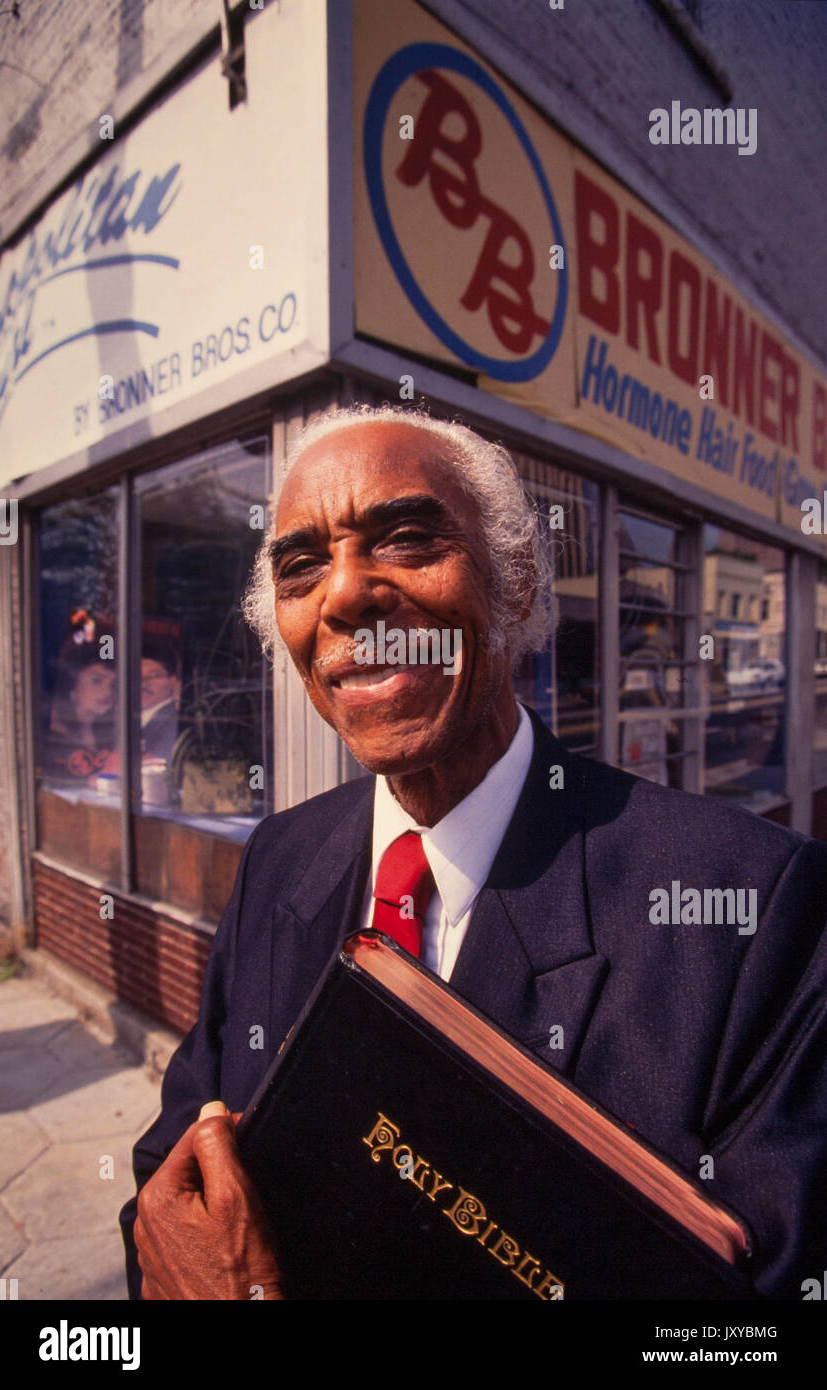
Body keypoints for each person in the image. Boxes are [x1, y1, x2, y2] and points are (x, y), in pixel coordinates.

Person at [120, 405, 827, 1301]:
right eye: (301, 566)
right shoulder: (279, 860)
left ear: (519, 583)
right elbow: (170, 1180)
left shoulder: (751, 908)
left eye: (409, 538)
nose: (344, 595)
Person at [44, 610, 118, 784]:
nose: (107, 692)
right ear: (73, 683)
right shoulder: (51, 730)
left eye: (113, 685)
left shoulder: (113, 728)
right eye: (97, 681)